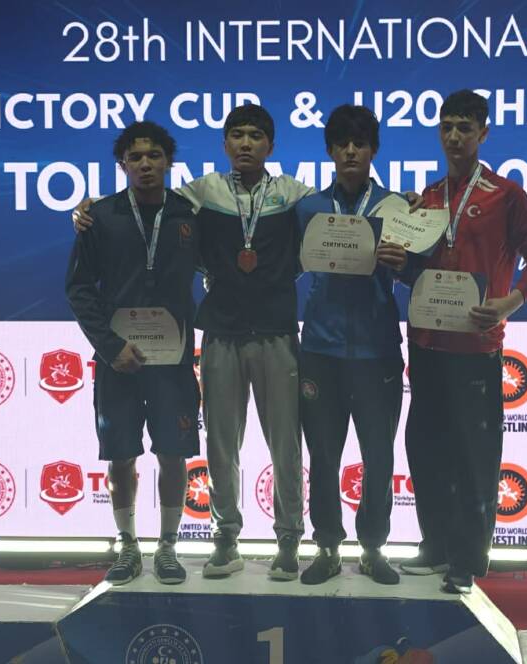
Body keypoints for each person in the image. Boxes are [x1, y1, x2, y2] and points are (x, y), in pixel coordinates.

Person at [73, 105, 314, 581]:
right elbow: (141, 201)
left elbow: (339, 212)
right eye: (236, 135)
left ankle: (288, 537)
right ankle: (225, 537)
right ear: (224, 144)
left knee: (285, 443)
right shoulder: (198, 195)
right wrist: (86, 209)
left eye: (255, 136)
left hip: (275, 331)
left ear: (271, 145)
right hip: (219, 333)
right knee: (220, 446)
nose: (245, 143)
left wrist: (400, 202)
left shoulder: (294, 193)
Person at [400, 90, 527, 593]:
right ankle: (434, 546)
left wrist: (511, 302)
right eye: (446, 126)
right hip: (426, 342)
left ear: (483, 133)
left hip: (476, 346)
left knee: (472, 454)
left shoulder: (506, 194)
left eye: (464, 127)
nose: (454, 136)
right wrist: (397, 254)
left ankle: (465, 559)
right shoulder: (427, 197)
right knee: (426, 447)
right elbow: (415, 269)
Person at [65, 121, 201, 585]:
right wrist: (109, 347)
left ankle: (168, 547)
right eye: (136, 157)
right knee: (120, 455)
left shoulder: (188, 214)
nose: (146, 164)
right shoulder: (99, 217)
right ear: (122, 165)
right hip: (118, 360)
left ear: (169, 161)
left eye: (154, 156)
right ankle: (128, 546)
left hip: (173, 361)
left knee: (173, 454)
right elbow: (79, 289)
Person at [294, 105, 408, 585]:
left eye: (359, 143)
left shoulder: (396, 208)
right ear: (329, 151)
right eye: (341, 143)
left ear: (373, 149)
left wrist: (403, 263)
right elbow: (286, 265)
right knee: (323, 455)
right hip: (321, 348)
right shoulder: (308, 208)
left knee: (379, 455)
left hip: (377, 348)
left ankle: (374, 547)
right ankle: (326, 547)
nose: (350, 151)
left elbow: (418, 271)